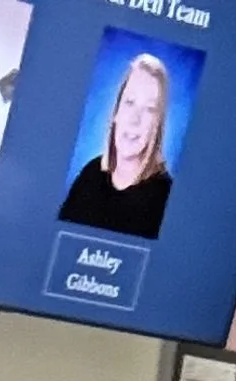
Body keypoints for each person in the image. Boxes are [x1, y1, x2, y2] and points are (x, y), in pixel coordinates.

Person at [58, 54, 176, 241]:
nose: (134, 120)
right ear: (116, 113)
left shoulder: (167, 198)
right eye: (129, 103)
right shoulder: (90, 174)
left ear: (157, 125)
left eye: (149, 109)